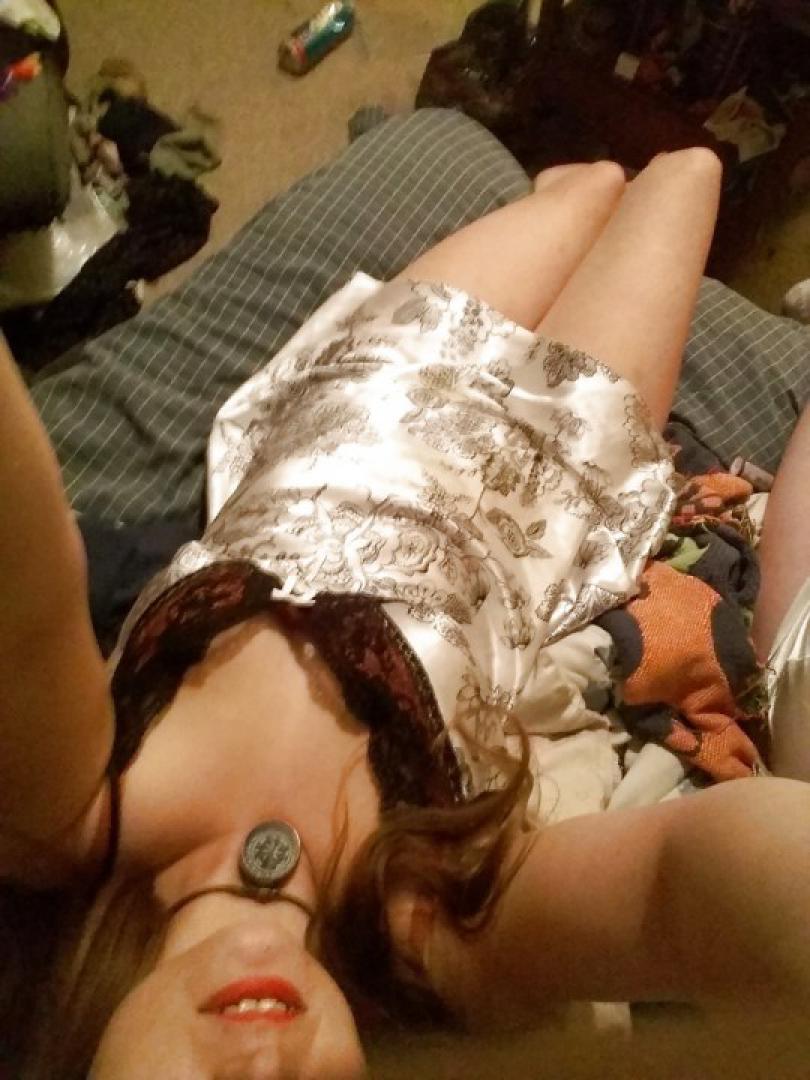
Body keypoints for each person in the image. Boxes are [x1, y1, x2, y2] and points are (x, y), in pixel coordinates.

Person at [2, 112, 810, 1080]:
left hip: (377, 394)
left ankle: (564, 189)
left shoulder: (74, 821)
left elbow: (22, 591)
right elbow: (675, 896)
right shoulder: (429, 932)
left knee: (589, 184)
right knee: (686, 170)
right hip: (561, 464)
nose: (260, 1071)